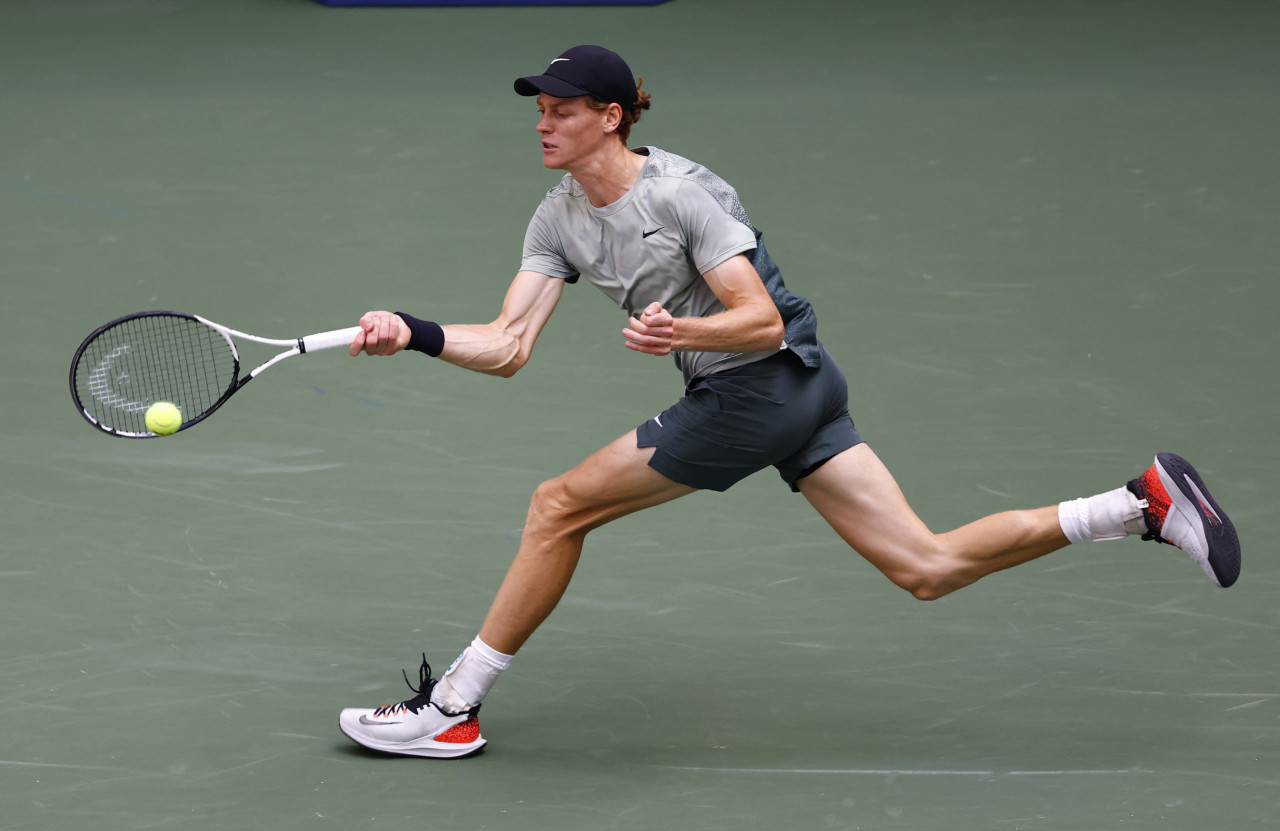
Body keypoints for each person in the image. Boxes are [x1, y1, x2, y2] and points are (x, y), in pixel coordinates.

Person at [337, 45, 1241, 758]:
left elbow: (761, 320)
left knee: (556, 507)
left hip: (761, 384)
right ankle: (1138, 505)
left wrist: (679, 335)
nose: (543, 124)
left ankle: (451, 708)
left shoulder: (682, 194)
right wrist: (411, 330)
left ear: (609, 119)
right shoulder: (558, 214)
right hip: (801, 393)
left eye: (562, 111)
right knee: (924, 566)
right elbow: (507, 346)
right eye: (539, 110)